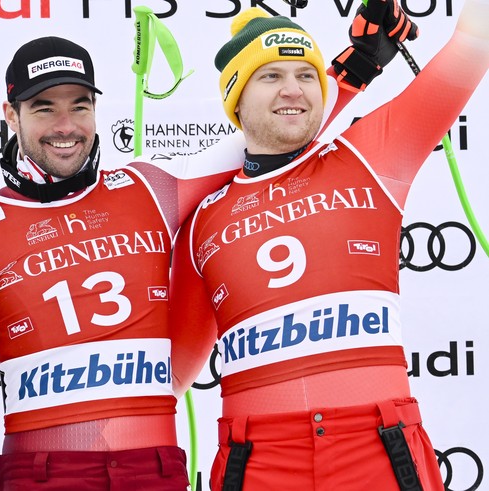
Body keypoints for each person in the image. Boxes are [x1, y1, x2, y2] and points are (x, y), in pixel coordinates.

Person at [0, 12, 414, 488]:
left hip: (152, 465)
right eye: (43, 107)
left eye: (80, 105)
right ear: (10, 115)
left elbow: (266, 132)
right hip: (38, 470)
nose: (65, 125)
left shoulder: (147, 189)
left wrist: (356, 68)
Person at [170, 1, 488, 489]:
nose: (293, 89)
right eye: (270, 76)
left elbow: (472, 43)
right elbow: (169, 376)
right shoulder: (201, 220)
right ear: (235, 97)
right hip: (256, 459)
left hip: (378, 445)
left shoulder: (371, 154)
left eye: (307, 74)